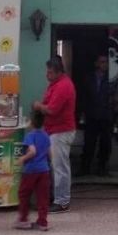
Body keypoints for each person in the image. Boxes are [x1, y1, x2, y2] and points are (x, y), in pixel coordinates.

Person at [33, 56, 76, 214]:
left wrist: (38, 106)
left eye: (50, 72)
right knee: (55, 166)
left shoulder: (63, 86)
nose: (47, 75)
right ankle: (56, 196)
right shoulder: (55, 84)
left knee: (60, 167)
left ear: (58, 72)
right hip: (53, 130)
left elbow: (52, 109)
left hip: (61, 131)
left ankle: (62, 201)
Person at [14, 109, 52, 231]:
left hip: (30, 170)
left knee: (24, 194)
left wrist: (23, 158)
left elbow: (33, 151)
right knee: (42, 197)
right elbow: (51, 154)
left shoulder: (30, 136)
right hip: (44, 170)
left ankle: (23, 220)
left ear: (31, 122)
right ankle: (43, 222)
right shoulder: (46, 136)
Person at [80, 54, 112, 176]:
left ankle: (102, 168)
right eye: (102, 62)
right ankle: (85, 168)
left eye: (106, 62)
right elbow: (85, 96)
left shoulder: (110, 79)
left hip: (105, 115)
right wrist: (84, 112)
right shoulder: (89, 78)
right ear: (96, 64)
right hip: (91, 115)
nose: (104, 64)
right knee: (89, 143)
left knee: (105, 143)